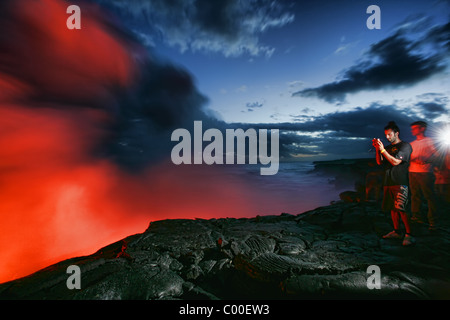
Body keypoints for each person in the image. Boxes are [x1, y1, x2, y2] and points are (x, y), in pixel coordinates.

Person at [372, 121, 414, 246]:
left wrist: (383, 150)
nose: (388, 137)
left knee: (402, 209)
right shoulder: (388, 148)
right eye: (386, 135)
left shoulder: (405, 146)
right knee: (392, 209)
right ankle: (397, 231)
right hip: (388, 182)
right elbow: (380, 162)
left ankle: (409, 235)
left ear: (397, 133)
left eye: (390, 134)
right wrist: (377, 149)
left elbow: (396, 162)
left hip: (400, 181)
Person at [408, 121, 439, 230]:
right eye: (412, 128)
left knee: (429, 196)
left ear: (422, 128)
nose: (413, 130)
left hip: (425, 173)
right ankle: (416, 217)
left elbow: (438, 156)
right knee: (415, 196)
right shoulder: (411, 144)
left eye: (415, 128)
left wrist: (426, 159)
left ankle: (433, 221)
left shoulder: (430, 141)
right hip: (412, 172)